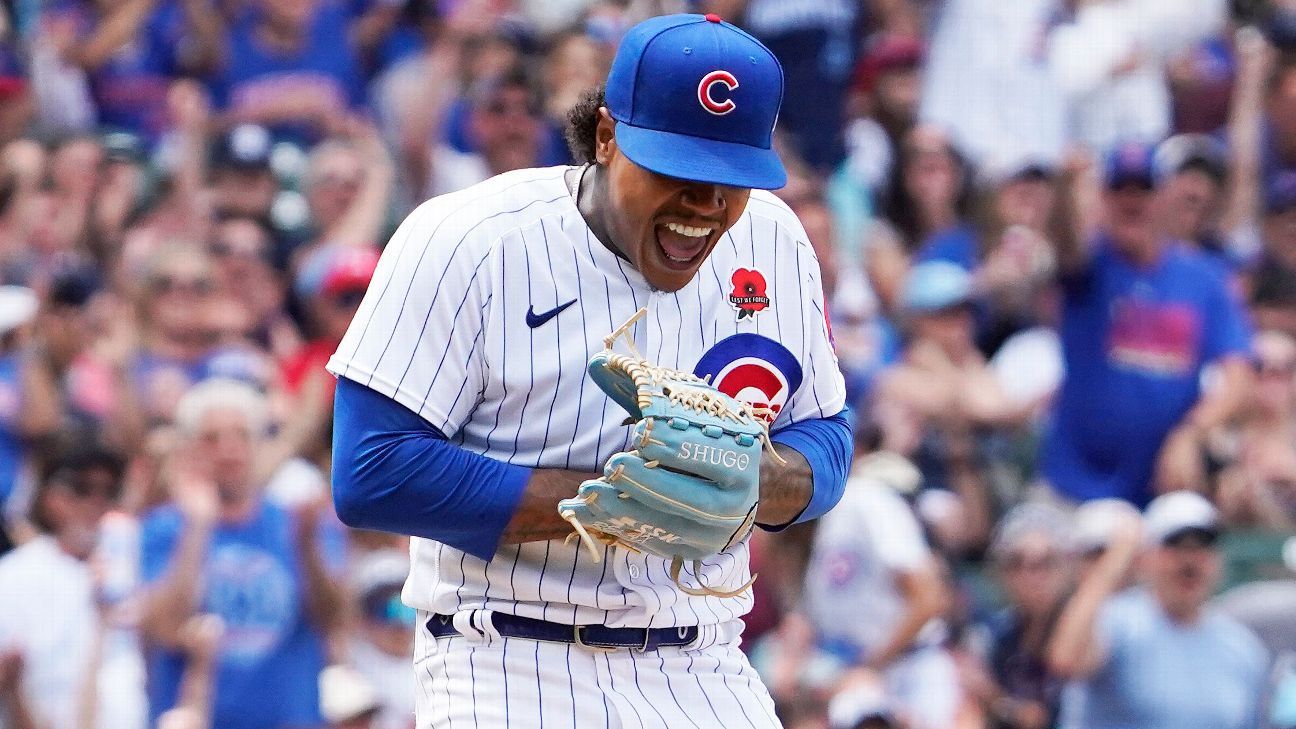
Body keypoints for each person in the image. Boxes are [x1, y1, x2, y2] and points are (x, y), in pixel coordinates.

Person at [328, 13, 850, 728]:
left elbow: (827, 430)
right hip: (508, 657)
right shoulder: (470, 239)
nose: (705, 204)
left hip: (704, 660)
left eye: (730, 178)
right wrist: (613, 501)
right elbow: (371, 470)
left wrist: (764, 481)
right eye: (678, 169)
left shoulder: (776, 239)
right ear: (607, 136)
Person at [1040, 143, 1254, 506]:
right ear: (1104, 200)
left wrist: (1191, 432)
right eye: (1120, 191)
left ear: (1165, 197)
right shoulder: (1091, 267)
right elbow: (1065, 241)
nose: (1133, 203)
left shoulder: (1204, 278)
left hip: (1162, 490)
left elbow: (1239, 375)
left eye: (1144, 190)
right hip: (1075, 486)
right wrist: (1064, 190)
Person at [138, 378, 348, 729]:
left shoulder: (300, 523)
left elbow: (334, 621)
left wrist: (308, 548)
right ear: (188, 451)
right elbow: (165, 629)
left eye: (241, 435)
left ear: (260, 445)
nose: (228, 449)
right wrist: (197, 527)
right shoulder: (163, 528)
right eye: (211, 438)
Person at [1048, 491, 1268, 729]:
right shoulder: (1118, 622)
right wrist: (1116, 559)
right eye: (1175, 546)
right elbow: (1067, 659)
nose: (1190, 562)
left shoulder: (1242, 648)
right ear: (1146, 556)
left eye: (1202, 546)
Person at [800, 450, 956, 729]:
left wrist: (867, 666)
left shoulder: (860, 500)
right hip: (868, 671)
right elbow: (929, 597)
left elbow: (928, 599)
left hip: (907, 668)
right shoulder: (863, 498)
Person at [0, 445, 147, 729]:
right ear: (50, 495)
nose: (97, 502)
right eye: (82, 489)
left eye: (111, 491)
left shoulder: (133, 562)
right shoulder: (12, 576)